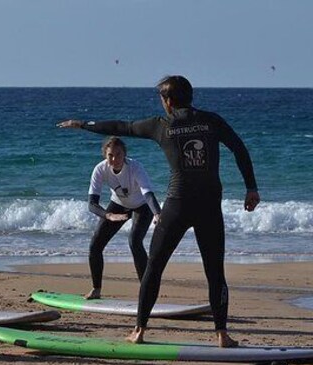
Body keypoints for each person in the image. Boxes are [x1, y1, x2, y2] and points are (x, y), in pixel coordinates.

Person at [58, 75, 260, 347]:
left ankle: (139, 330)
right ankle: (222, 334)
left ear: (168, 101)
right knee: (215, 271)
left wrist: (83, 124)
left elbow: (122, 126)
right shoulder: (212, 120)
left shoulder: (161, 125)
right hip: (209, 204)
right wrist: (251, 188)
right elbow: (239, 148)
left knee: (154, 266)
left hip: (178, 204)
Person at [84, 137, 161, 299]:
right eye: (110, 155)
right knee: (95, 245)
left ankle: (147, 290)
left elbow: (147, 193)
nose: (114, 159)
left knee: (134, 241)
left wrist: (157, 212)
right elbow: (92, 204)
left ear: (124, 154)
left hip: (142, 206)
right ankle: (96, 289)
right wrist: (108, 215)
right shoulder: (100, 169)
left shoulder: (135, 167)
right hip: (118, 205)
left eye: (118, 154)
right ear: (105, 155)